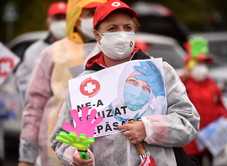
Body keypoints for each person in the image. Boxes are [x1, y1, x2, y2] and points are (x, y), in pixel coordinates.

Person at [51, 1, 200, 165]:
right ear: (97, 35)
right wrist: (75, 156)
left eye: (127, 27)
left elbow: (189, 122)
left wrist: (149, 128)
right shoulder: (84, 84)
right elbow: (61, 137)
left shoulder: (161, 72)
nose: (121, 34)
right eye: (112, 28)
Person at [18, 0, 106, 166]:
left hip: (103, 149)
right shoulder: (52, 53)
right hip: (57, 148)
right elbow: (34, 107)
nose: (94, 18)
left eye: (98, 12)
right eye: (88, 13)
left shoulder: (113, 53)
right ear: (75, 15)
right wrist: (26, 157)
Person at [181, 37, 227, 165]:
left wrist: (225, 121)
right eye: (199, 63)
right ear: (190, 64)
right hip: (191, 141)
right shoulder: (183, 84)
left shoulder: (212, 84)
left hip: (213, 138)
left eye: (204, 64)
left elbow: (221, 107)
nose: (202, 67)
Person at [15, 1, 67, 101]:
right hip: (44, 110)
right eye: (57, 18)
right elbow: (23, 84)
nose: (61, 22)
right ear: (48, 21)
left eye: (64, 18)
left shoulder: (78, 48)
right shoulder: (33, 51)